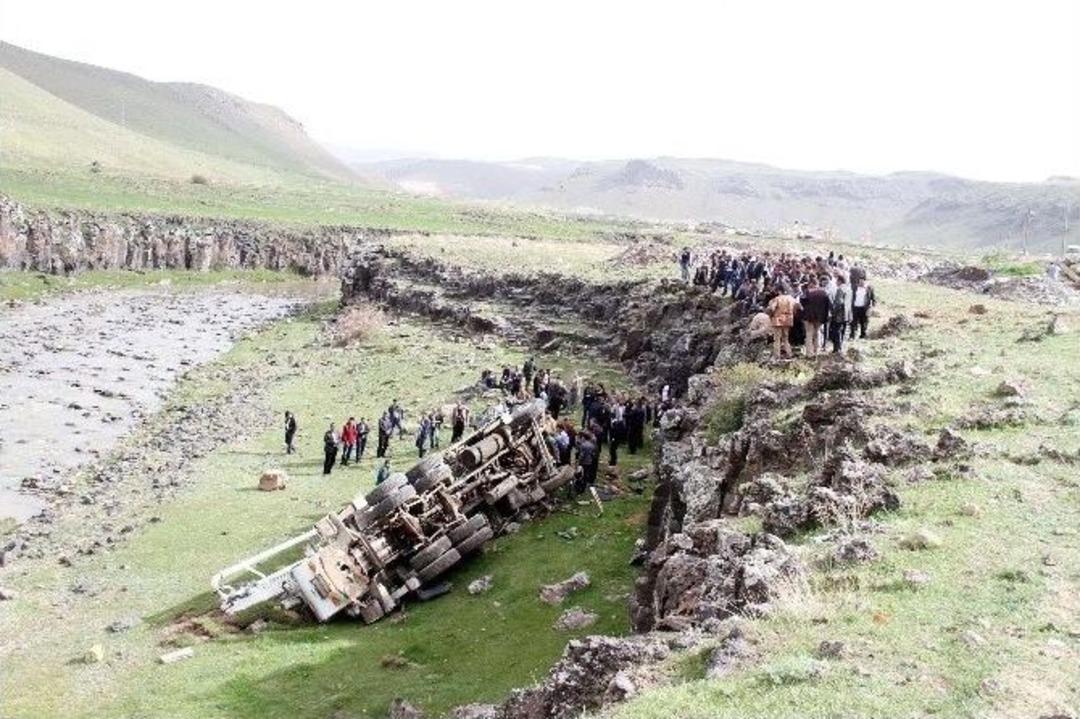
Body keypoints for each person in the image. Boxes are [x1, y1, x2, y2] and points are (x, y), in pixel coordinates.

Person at [766, 284, 801, 359]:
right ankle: (789, 353)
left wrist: (770, 314)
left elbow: (772, 308)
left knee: (777, 339)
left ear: (779, 291)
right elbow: (798, 306)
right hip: (788, 319)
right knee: (786, 338)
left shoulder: (777, 299)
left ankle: (777, 355)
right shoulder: (791, 298)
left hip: (778, 319)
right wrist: (793, 313)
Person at [800, 278, 831, 357]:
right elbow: (828, 305)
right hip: (820, 316)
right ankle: (816, 351)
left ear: (811, 284)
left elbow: (802, 302)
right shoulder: (824, 292)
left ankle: (809, 353)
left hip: (808, 316)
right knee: (817, 333)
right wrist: (825, 316)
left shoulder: (807, 292)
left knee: (809, 334)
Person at [829, 275, 853, 353]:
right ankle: (841, 347)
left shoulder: (840, 289)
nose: (836, 282)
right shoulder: (849, 289)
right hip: (847, 313)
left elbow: (839, 302)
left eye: (837, 281)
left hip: (839, 314)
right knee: (843, 331)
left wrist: (834, 312)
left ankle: (837, 348)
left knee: (836, 331)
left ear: (839, 281)